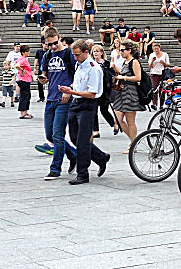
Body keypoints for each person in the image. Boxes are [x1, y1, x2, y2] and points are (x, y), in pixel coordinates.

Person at [59, 40, 112, 185]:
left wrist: (72, 92)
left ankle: (83, 173)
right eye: (74, 55)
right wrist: (68, 89)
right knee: (74, 138)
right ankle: (100, 157)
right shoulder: (79, 64)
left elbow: (92, 93)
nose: (75, 58)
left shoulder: (93, 68)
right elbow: (78, 83)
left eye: (77, 55)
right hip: (76, 102)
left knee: (82, 140)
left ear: (86, 52)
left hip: (88, 104)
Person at [37, 27, 78, 176]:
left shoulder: (69, 54)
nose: (53, 47)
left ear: (59, 37)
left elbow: (79, 75)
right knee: (50, 135)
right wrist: (43, 79)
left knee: (58, 135)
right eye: (49, 44)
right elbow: (44, 74)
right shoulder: (47, 55)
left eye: (55, 43)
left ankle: (55, 168)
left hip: (64, 98)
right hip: (51, 97)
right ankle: (73, 155)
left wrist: (70, 89)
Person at [110, 41, 143, 152]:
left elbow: (138, 77)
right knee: (118, 120)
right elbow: (124, 74)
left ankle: (133, 145)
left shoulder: (134, 62)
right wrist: (116, 69)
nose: (121, 52)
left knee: (130, 121)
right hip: (121, 92)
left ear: (129, 50)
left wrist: (123, 78)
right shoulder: (125, 62)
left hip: (130, 93)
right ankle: (135, 141)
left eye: (123, 50)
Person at [148, 42, 170, 108]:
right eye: (155, 49)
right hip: (154, 73)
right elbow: (150, 66)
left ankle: (161, 104)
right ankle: (154, 103)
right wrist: (152, 61)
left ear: (159, 48)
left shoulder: (165, 54)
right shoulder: (152, 55)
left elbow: (168, 64)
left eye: (157, 48)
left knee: (162, 89)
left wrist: (163, 63)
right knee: (154, 89)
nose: (156, 50)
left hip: (162, 73)